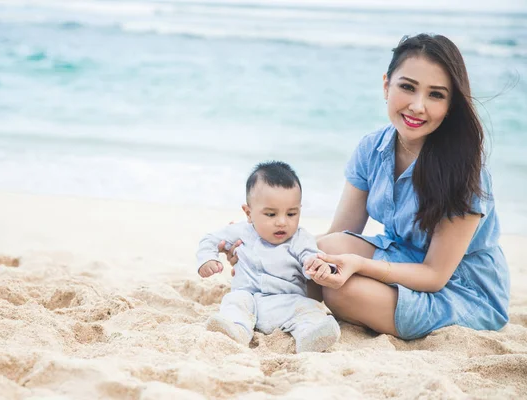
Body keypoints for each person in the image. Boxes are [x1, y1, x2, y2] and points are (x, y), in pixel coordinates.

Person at [220, 33, 510, 340]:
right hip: (400, 257)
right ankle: (257, 302)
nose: (417, 106)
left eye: (436, 95)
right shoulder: (373, 148)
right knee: (321, 254)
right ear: (386, 85)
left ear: (451, 104)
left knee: (340, 292)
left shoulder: (465, 170)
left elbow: (434, 275)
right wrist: (260, 246)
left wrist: (358, 265)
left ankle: (276, 301)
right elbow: (339, 234)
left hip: (460, 288)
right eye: (407, 87)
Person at [197, 161, 340, 353]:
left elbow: (311, 255)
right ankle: (236, 331)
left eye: (291, 213)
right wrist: (208, 258)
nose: (282, 222)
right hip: (248, 298)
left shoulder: (300, 238)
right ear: (249, 213)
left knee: (309, 308)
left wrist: (317, 265)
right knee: (233, 302)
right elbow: (210, 238)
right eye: (271, 214)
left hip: (286, 301)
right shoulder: (240, 231)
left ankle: (309, 336)